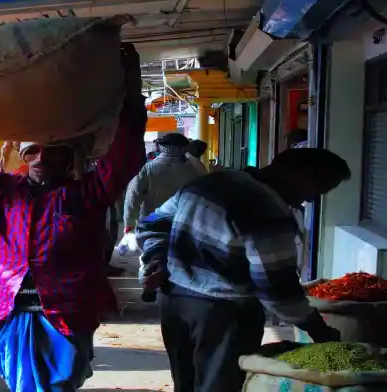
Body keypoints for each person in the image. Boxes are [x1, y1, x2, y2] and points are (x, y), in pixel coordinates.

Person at [0, 42, 146, 388]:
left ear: (68, 159)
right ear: (24, 156)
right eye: (34, 151)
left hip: (65, 314)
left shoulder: (86, 194)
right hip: (8, 309)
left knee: (59, 383)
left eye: (53, 152)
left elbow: (125, 158)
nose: (42, 159)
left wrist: (132, 91)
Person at [136, 148, 350, 392]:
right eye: (319, 188)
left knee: (185, 382)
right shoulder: (265, 210)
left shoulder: (207, 184)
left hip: (174, 302)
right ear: (301, 174)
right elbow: (277, 289)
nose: (311, 199)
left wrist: (157, 256)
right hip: (223, 314)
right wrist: (316, 327)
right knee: (220, 386)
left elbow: (150, 224)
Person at [123, 133, 202, 235]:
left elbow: (132, 196)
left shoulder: (148, 169)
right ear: (184, 148)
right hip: (182, 223)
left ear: (162, 147)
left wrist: (129, 223)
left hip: (152, 220)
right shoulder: (192, 170)